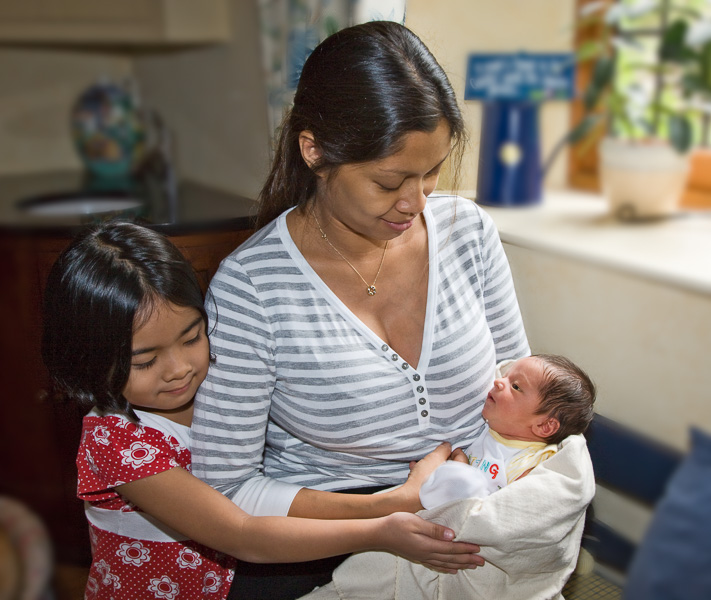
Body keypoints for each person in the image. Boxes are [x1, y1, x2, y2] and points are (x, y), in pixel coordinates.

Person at [191, 20, 529, 599]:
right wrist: (385, 513)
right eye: (389, 181)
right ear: (315, 151)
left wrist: (483, 486)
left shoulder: (467, 233)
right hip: (321, 535)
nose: (415, 203)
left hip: (471, 502)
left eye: (431, 172)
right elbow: (227, 489)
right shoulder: (252, 288)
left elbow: (520, 388)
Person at [40, 221, 481, 600]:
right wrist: (381, 523)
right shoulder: (116, 441)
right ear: (88, 358)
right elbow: (242, 534)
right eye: (144, 361)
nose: (179, 370)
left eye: (193, 337)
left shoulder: (225, 379)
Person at [419, 354, 596, 509]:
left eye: (516, 387)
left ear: (544, 426)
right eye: (505, 376)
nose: (498, 381)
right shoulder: (490, 431)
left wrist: (460, 466)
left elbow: (513, 510)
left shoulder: (533, 463)